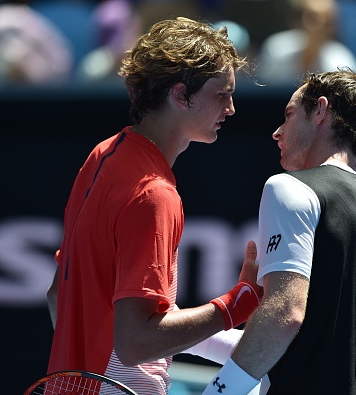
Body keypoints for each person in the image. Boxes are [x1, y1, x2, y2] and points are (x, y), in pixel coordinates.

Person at [46, 17, 263, 395]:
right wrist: (232, 307)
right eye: (222, 94)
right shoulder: (155, 195)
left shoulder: (103, 157)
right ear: (181, 95)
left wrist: (242, 346)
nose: (231, 108)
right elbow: (136, 342)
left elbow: (61, 299)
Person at [203, 68, 356, 394]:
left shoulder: (287, 188)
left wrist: (220, 392)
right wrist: (174, 336)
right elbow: (296, 351)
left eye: (289, 115)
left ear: (320, 111)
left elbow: (283, 316)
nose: (277, 132)